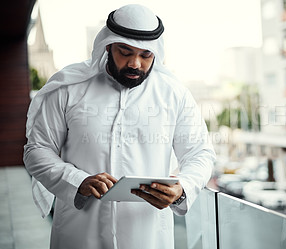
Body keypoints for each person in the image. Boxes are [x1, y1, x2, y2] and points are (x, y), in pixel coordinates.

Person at [23, 4, 215, 249]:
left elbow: (200, 152)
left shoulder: (173, 95)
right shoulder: (68, 89)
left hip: (148, 236)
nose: (135, 63)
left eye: (146, 55)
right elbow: (36, 150)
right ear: (108, 45)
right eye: (125, 52)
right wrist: (76, 180)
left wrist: (183, 187)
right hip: (79, 234)